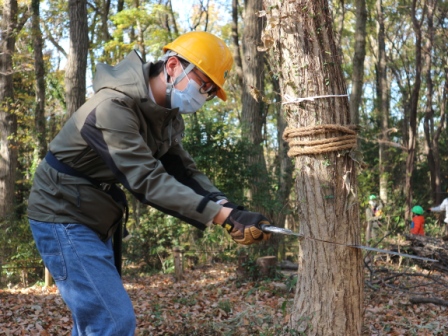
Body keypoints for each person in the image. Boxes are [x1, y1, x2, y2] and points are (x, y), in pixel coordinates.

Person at [27, 31, 272, 335]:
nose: (204, 94)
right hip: (61, 212)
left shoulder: (166, 116)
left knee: (95, 321)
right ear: (172, 66)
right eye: (203, 82)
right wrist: (219, 217)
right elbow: (145, 180)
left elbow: (182, 171)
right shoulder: (112, 106)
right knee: (112, 321)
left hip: (94, 214)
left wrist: (229, 209)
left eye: (210, 90)